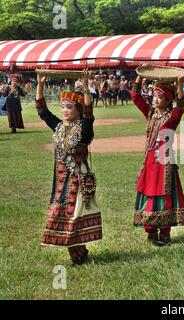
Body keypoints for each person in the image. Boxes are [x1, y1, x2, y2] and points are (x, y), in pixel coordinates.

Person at [35, 70, 102, 265]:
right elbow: (42, 111)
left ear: (78, 110)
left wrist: (87, 86)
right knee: (62, 213)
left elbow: (89, 113)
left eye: (69, 107)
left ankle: (79, 255)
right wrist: (40, 84)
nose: (64, 110)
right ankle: (79, 253)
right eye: (63, 107)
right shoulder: (59, 127)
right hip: (60, 181)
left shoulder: (84, 130)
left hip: (78, 179)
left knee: (75, 215)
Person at [130, 66, 184, 246]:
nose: (155, 99)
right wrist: (139, 77)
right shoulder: (150, 114)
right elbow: (136, 97)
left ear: (167, 99)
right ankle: (150, 231)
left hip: (164, 163)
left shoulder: (172, 117)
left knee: (164, 194)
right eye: (154, 95)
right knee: (148, 193)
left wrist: (179, 84)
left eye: (160, 96)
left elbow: (180, 105)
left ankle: (164, 233)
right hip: (149, 163)